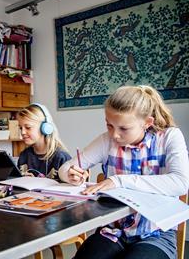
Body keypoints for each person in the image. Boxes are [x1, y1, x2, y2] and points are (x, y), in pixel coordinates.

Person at [59, 85, 189, 259]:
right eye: (109, 125)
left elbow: (180, 183)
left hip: (156, 234)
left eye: (123, 129)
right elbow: (65, 168)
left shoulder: (170, 137)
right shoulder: (106, 141)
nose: (114, 135)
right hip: (113, 231)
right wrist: (71, 175)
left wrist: (120, 180)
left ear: (147, 123)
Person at [16, 103, 71, 180]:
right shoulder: (24, 156)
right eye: (21, 128)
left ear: (45, 128)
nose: (23, 132)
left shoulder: (61, 157)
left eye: (28, 127)